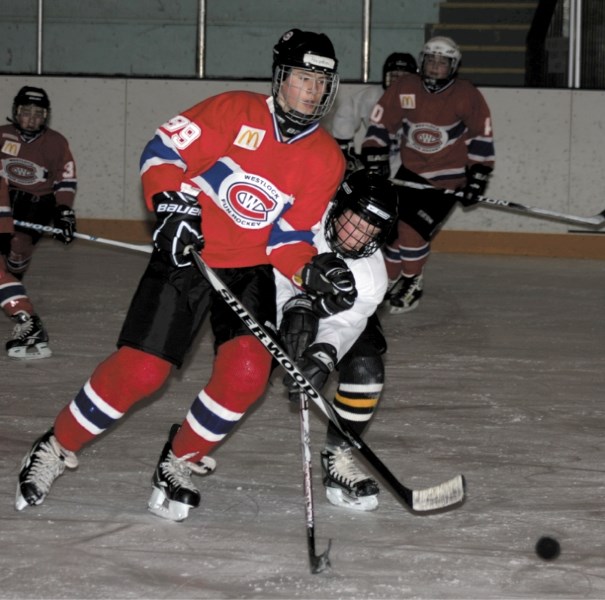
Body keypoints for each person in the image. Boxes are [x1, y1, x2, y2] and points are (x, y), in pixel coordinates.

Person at [15, 29, 354, 523]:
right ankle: (55, 445)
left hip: (248, 271)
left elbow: (286, 239)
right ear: (281, 77)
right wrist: (169, 205)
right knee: (143, 371)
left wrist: (310, 270)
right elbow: (162, 152)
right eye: (303, 77)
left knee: (246, 376)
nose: (313, 90)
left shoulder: (327, 159)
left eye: (322, 81)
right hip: (187, 255)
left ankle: (180, 460)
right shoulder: (233, 110)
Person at [277, 169, 398, 511]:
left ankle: (338, 457)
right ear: (337, 206)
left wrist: (323, 355)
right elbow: (268, 258)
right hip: (269, 299)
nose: (358, 236)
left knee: (366, 367)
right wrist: (295, 303)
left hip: (329, 316)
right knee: (244, 374)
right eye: (354, 221)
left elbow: (346, 322)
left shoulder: (373, 276)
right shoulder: (305, 216)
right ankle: (185, 449)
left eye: (370, 230)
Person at [361, 36, 495, 313]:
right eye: (430, 60)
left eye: (442, 62)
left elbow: (482, 134)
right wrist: (375, 155)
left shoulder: (466, 93)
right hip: (409, 173)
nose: (435, 67)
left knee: (411, 230)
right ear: (423, 61)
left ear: (453, 66)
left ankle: (412, 282)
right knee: (389, 234)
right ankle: (388, 280)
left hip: (448, 179)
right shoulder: (405, 87)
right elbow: (381, 123)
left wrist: (478, 176)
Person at [0, 86, 77, 358]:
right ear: (15, 112)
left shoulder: (56, 142)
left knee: (18, 246)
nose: (32, 118)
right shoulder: (2, 136)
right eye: (26, 112)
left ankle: (12, 280)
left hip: (36, 205)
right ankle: (10, 287)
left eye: (38, 113)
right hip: (6, 200)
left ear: (46, 116)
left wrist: (64, 210)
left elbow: (65, 179)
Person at [330, 52, 417, 178]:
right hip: (376, 157)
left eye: (404, 77)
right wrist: (345, 148)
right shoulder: (372, 95)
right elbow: (346, 113)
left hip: (411, 162)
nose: (398, 82)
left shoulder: (422, 99)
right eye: (394, 76)